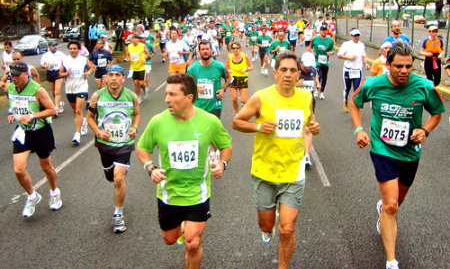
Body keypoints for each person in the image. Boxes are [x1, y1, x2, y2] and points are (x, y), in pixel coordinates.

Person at [350, 41, 445, 269]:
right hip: (382, 149)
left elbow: (437, 113)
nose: (404, 71)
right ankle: (391, 261)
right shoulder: (374, 83)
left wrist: (425, 130)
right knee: (392, 205)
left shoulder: (423, 86)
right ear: (388, 64)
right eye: (399, 66)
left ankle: (384, 211)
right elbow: (355, 103)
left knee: (397, 201)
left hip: (410, 153)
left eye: (408, 67)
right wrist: (358, 129)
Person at [232, 51, 320, 269]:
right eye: (283, 70)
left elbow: (310, 120)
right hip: (264, 172)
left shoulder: (305, 97)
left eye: (292, 70)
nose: (288, 75)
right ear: (275, 73)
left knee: (287, 229)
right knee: (266, 225)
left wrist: (314, 126)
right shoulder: (261, 97)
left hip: (293, 172)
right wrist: (259, 127)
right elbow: (237, 122)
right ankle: (266, 228)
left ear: (298, 74)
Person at [136, 74, 232, 269]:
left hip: (198, 192)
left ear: (189, 98)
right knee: (169, 239)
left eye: (172, 94)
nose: (166, 99)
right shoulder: (158, 122)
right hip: (169, 193)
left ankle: (189, 233)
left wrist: (222, 163)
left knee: (193, 243)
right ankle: (183, 228)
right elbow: (142, 148)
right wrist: (150, 167)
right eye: (166, 94)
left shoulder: (209, 121)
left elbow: (226, 145)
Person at [86, 65, 140, 233]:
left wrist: (135, 128)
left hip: (124, 144)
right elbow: (89, 117)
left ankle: (118, 215)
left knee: (118, 178)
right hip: (105, 145)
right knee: (110, 177)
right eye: (111, 75)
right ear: (106, 78)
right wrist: (98, 131)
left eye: (118, 75)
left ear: (124, 78)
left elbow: (136, 114)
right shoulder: (98, 95)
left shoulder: (131, 96)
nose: (114, 78)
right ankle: (117, 175)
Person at [7, 61, 61, 217]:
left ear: (26, 74)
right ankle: (32, 196)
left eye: (17, 75)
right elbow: (15, 105)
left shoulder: (38, 90)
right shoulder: (11, 88)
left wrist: (31, 115)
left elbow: (52, 110)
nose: (14, 78)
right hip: (23, 132)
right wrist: (13, 114)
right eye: (12, 75)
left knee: (46, 166)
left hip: (40, 132)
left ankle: (54, 191)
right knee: (18, 170)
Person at [60, 40, 93, 145]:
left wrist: (88, 73)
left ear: (79, 49)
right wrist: (66, 73)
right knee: (76, 111)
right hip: (70, 89)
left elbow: (91, 68)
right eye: (70, 49)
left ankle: (77, 135)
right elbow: (60, 74)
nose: (72, 50)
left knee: (79, 110)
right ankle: (82, 122)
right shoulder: (65, 60)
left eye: (74, 48)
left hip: (81, 87)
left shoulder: (83, 59)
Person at [187, 40, 231, 119]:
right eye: (203, 49)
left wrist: (223, 89)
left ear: (211, 50)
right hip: (198, 107)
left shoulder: (220, 66)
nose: (205, 51)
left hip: (215, 106)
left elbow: (230, 78)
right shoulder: (193, 69)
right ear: (199, 51)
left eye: (207, 49)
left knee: (213, 130)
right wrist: (195, 88)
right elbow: (186, 85)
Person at [295, 52, 321, 167]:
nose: (307, 69)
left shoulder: (313, 70)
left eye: (309, 67)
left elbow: (315, 77)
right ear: (301, 63)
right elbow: (281, 87)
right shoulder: (295, 72)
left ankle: (306, 156)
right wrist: (295, 85)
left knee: (308, 129)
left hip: (309, 102)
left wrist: (317, 83)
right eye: (305, 66)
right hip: (294, 102)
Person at [337, 28, 370, 112]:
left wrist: (365, 63)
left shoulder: (362, 45)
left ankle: (354, 107)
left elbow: (363, 55)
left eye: (358, 35)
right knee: (347, 88)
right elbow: (339, 55)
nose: (357, 37)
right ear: (351, 36)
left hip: (357, 70)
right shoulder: (346, 44)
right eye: (355, 35)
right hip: (348, 70)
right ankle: (345, 100)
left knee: (356, 90)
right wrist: (349, 57)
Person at [224, 41, 253, 114]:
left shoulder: (244, 56)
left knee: (243, 100)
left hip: (243, 78)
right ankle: (237, 113)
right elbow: (225, 68)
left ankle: (243, 106)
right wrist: (229, 71)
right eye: (233, 48)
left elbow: (251, 67)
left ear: (240, 48)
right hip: (233, 78)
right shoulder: (230, 57)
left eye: (237, 48)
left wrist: (246, 69)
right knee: (234, 99)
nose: (235, 49)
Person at [40, 40, 66, 114]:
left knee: (57, 91)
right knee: (53, 91)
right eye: (53, 46)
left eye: (56, 45)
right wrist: (45, 66)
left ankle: (56, 108)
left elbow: (66, 61)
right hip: (50, 72)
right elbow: (42, 65)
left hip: (58, 72)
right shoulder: (45, 55)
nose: (55, 47)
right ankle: (60, 103)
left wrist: (62, 67)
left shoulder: (60, 54)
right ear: (49, 47)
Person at [310, 24, 334, 99]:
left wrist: (330, 53)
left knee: (324, 77)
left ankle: (322, 92)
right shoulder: (315, 39)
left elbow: (333, 50)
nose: (324, 32)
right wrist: (312, 53)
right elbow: (310, 47)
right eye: (322, 30)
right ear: (320, 31)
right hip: (317, 61)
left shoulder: (330, 40)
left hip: (325, 62)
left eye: (325, 30)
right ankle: (317, 90)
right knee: (318, 75)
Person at [126, 34, 151, 102]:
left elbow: (148, 54)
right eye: (132, 38)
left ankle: (145, 89)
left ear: (138, 39)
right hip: (133, 68)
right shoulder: (129, 46)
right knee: (136, 83)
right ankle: (138, 97)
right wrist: (128, 59)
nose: (134, 40)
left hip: (141, 67)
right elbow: (127, 55)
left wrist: (144, 59)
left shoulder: (142, 46)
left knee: (141, 83)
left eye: (135, 38)